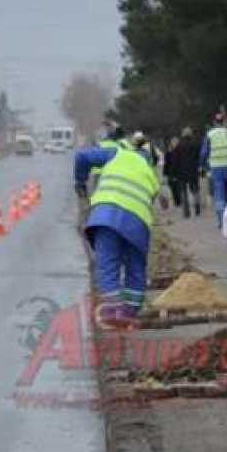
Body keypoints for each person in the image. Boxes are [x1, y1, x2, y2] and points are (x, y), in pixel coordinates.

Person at [74, 140, 161, 329]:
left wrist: (80, 181)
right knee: (136, 267)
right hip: (137, 224)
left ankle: (112, 311)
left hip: (106, 216)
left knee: (107, 264)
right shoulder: (153, 178)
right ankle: (129, 312)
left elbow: (81, 156)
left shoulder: (118, 153)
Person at [199, 112, 227, 229]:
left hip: (216, 168)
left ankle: (222, 221)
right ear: (223, 121)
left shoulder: (210, 135)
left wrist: (203, 166)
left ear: (214, 122)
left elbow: (204, 153)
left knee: (219, 195)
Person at [171, 127, 201, 219]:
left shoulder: (179, 146)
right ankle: (197, 209)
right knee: (195, 190)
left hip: (181, 172)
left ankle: (186, 212)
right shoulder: (195, 144)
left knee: (183, 192)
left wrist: (174, 173)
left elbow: (175, 161)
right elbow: (198, 157)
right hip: (193, 170)